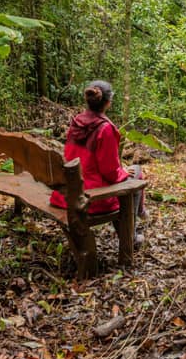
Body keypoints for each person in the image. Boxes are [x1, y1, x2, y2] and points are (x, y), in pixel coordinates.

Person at [49, 80, 146, 245]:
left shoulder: (76, 122)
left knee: (131, 172)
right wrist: (122, 172)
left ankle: (139, 217)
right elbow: (109, 171)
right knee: (136, 173)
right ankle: (130, 235)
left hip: (67, 192)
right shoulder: (105, 129)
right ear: (108, 103)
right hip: (90, 198)